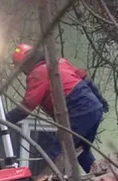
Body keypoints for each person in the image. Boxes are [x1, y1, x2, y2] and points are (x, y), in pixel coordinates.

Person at [7, 44, 109, 173]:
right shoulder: (60, 63)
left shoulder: (37, 74)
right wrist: (100, 100)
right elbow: (85, 78)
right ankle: (98, 176)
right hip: (94, 109)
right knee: (80, 149)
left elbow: (28, 105)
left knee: (57, 151)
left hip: (78, 109)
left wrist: (5, 120)